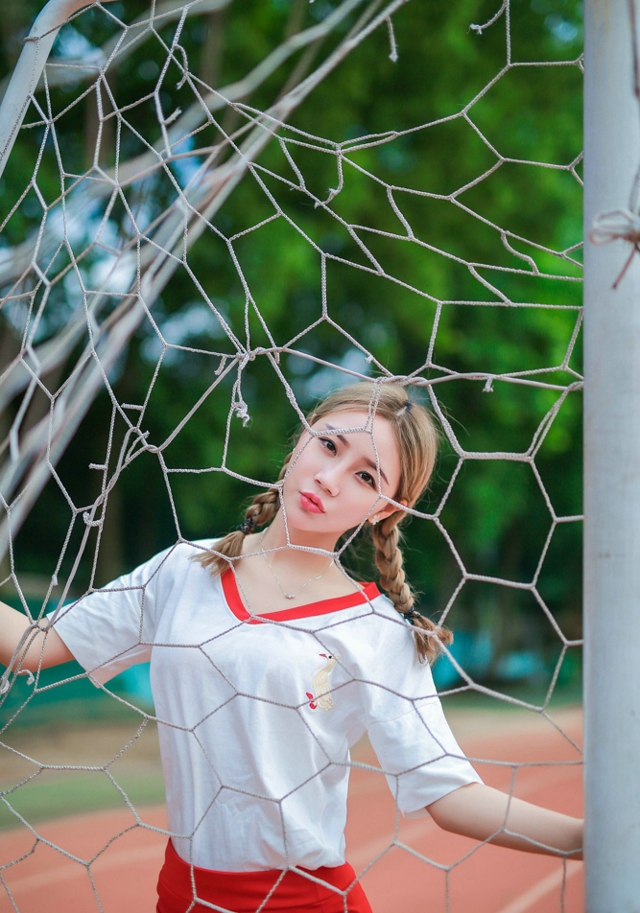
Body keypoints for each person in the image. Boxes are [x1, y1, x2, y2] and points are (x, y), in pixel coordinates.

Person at [0, 381, 582, 913]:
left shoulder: (376, 631)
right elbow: (32, 646)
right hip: (182, 896)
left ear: (385, 508)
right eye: (329, 447)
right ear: (302, 438)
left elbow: (450, 793)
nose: (331, 478)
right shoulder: (181, 571)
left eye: (366, 477)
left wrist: (587, 841)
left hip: (304, 901)